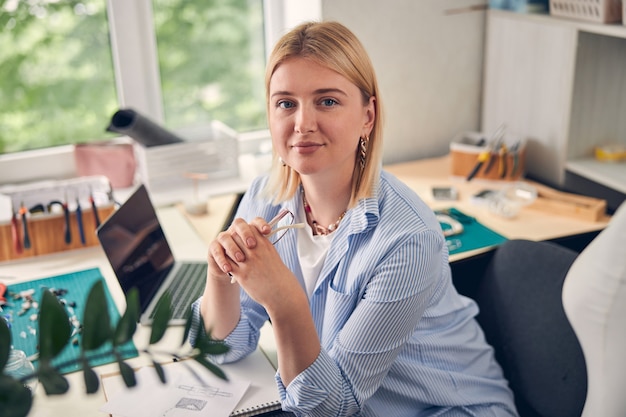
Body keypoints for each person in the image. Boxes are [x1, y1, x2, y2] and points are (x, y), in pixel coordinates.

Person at [189, 20, 518, 417]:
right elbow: (223, 348)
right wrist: (219, 276)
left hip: (449, 409)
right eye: (285, 103)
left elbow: (333, 406)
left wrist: (284, 300)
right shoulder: (266, 195)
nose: (302, 124)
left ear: (367, 116)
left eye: (327, 101)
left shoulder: (407, 238)